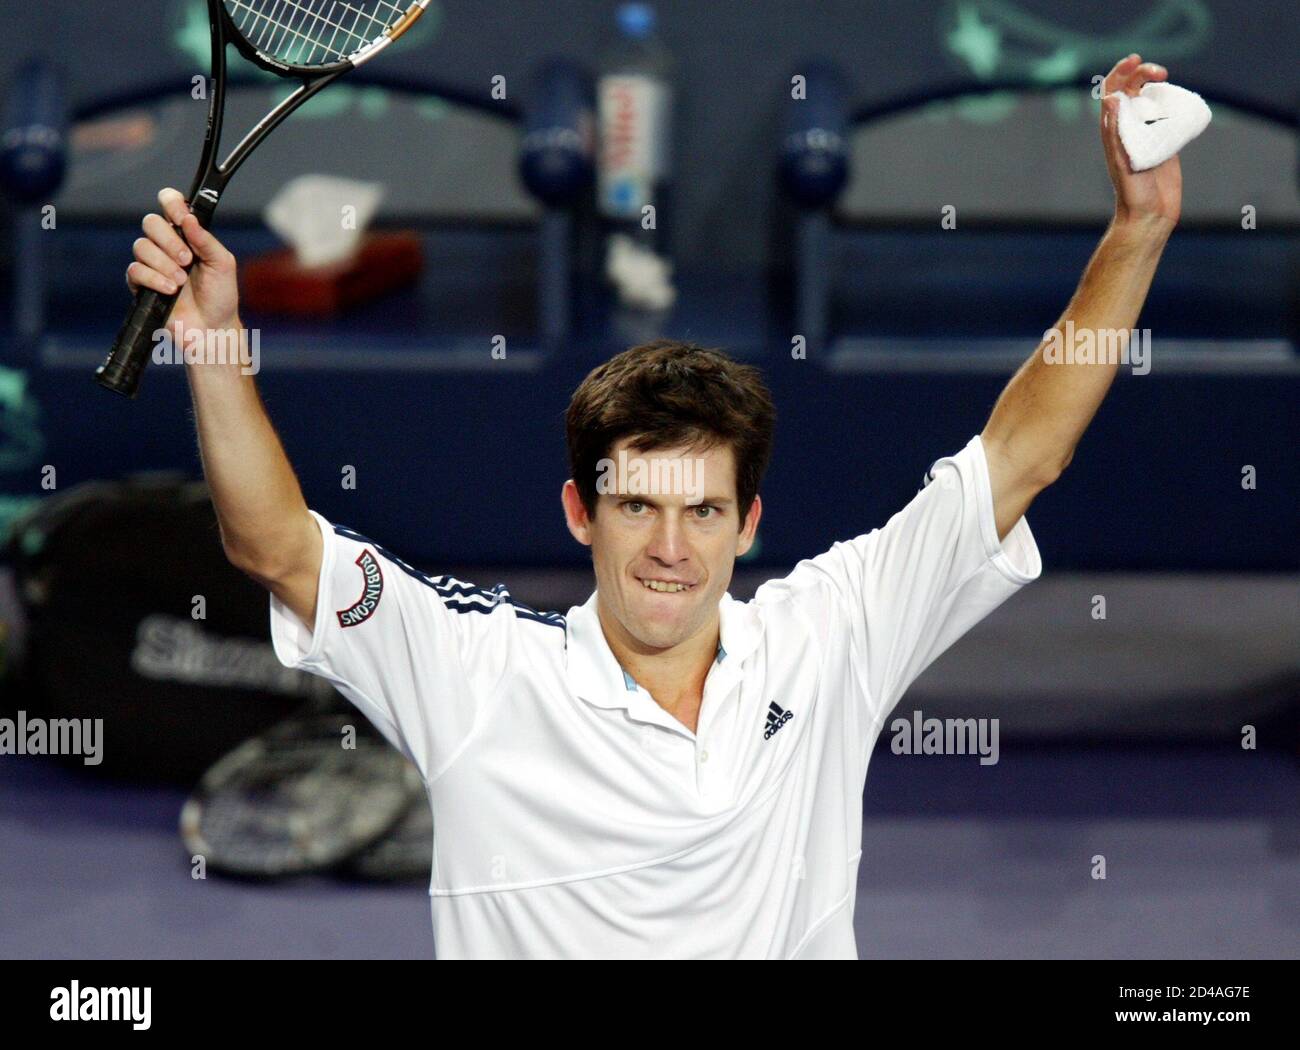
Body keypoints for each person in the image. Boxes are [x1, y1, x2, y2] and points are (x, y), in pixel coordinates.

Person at [123, 55, 1180, 958]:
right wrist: (215, 348)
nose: (670, 548)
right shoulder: (474, 669)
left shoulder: (831, 636)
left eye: (704, 512)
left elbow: (1022, 456)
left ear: (748, 524)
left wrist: (1137, 229)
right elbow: (273, 546)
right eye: (638, 508)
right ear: (581, 514)